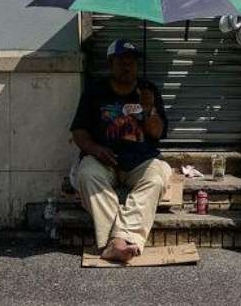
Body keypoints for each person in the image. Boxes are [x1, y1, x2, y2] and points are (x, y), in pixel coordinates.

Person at [70, 39, 171, 262]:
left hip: (140, 160)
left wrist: (149, 109)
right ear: (110, 63)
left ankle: (114, 241)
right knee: (86, 175)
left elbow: (156, 133)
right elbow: (78, 132)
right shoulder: (95, 91)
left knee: (158, 177)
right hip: (103, 160)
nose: (128, 67)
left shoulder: (148, 90)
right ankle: (119, 242)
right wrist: (94, 149)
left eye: (132, 62)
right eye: (122, 61)